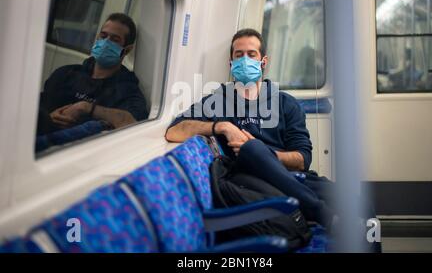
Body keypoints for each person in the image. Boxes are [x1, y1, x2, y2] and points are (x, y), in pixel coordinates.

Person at [165, 28, 335, 228]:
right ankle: (321, 213)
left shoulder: (286, 104)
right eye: (239, 55)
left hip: (293, 177)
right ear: (231, 64)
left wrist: (266, 154)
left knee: (360, 205)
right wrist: (222, 126)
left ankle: (318, 210)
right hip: (249, 183)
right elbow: (174, 130)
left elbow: (302, 160)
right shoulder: (218, 101)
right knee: (251, 150)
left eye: (251, 54)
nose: (244, 60)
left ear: (264, 61)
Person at [37, 13, 148, 136]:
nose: (106, 42)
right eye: (103, 36)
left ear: (127, 50)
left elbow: (133, 124)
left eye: (115, 40)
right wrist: (48, 117)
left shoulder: (127, 90)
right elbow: (41, 104)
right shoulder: (65, 73)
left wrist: (87, 108)